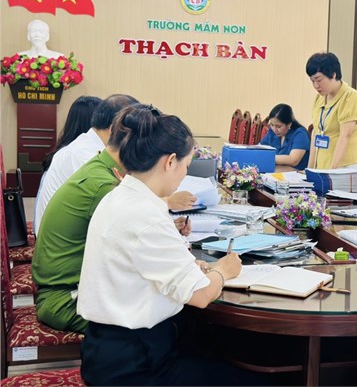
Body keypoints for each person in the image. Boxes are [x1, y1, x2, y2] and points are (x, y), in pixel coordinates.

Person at [76, 106, 261, 386]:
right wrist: (223, 270)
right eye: (186, 166)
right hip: (136, 363)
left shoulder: (121, 196)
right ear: (171, 161)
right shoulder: (145, 214)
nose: (184, 174)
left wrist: (191, 266)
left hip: (111, 348)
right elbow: (201, 295)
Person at [32, 104, 197, 334]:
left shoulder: (102, 168)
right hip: (67, 299)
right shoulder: (105, 186)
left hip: (69, 288)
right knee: (179, 313)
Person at [33, 94, 139, 234]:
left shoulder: (88, 144)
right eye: (136, 132)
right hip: (63, 240)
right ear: (115, 129)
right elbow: (117, 205)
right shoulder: (84, 153)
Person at [305, 52, 357, 169]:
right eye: (312, 81)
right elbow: (316, 133)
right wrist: (310, 168)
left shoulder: (350, 97)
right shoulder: (319, 98)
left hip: (344, 166)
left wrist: (332, 170)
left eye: (319, 80)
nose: (316, 85)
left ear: (333, 74)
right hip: (323, 164)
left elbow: (345, 135)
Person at [259, 103, 310, 170]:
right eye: (271, 125)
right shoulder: (272, 132)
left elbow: (293, 160)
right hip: (275, 172)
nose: (274, 129)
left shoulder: (300, 134)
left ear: (289, 124)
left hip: (295, 174)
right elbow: (260, 148)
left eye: (278, 126)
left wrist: (267, 157)